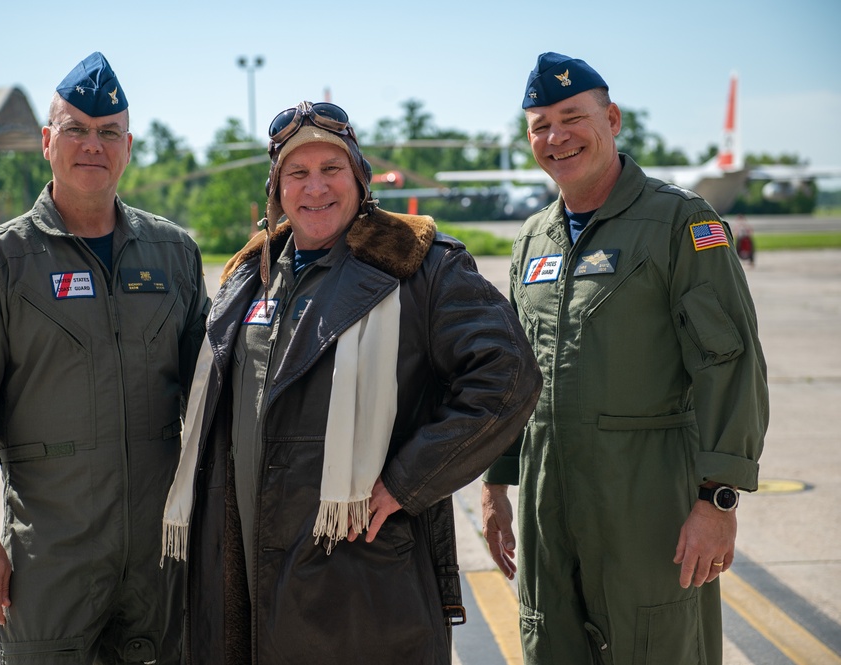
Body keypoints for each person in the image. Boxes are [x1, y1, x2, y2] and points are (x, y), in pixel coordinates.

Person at [160, 100, 542, 664]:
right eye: (298, 173)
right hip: (245, 579)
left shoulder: (419, 267)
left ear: (359, 178)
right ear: (277, 189)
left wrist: (406, 482)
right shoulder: (251, 276)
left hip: (361, 585)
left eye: (331, 170)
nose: (316, 188)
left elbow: (507, 377)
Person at [480, 53, 769, 665]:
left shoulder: (680, 223)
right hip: (546, 507)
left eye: (572, 117)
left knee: (656, 646)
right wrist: (497, 485)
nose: (556, 137)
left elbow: (729, 362)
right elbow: (512, 374)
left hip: (647, 507)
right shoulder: (533, 238)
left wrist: (717, 501)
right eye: (539, 125)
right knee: (549, 644)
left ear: (611, 119)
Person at [0, 52, 208, 665]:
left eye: (108, 131)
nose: (93, 145)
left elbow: (213, 390)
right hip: (51, 559)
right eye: (77, 129)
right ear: (47, 140)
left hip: (159, 558)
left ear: (129, 146)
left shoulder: (173, 256)